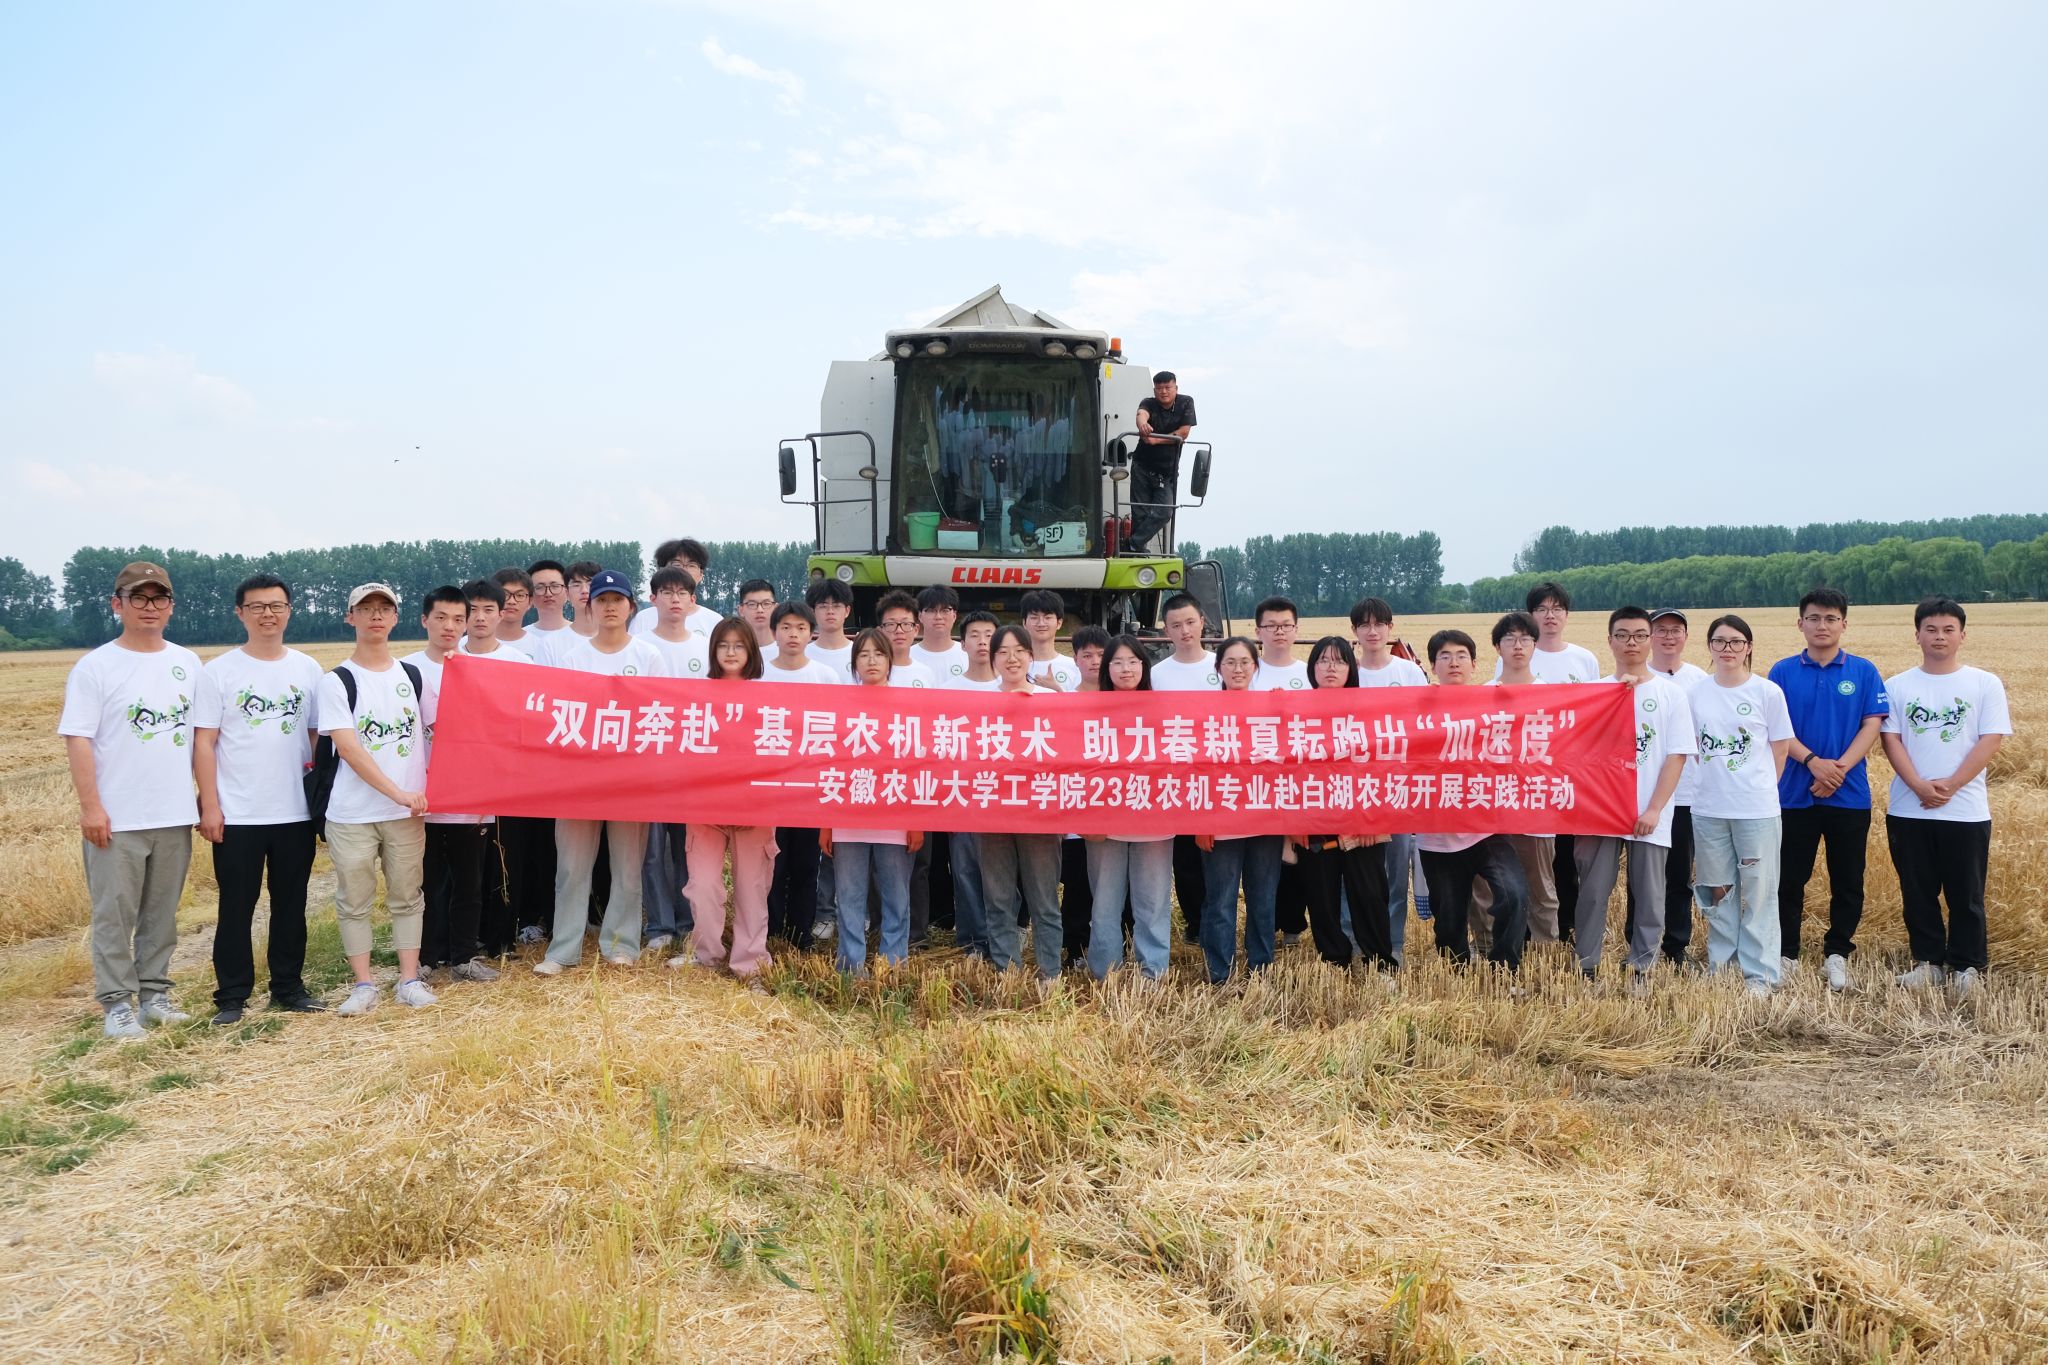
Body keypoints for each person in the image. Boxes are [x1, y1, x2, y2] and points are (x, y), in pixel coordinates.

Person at [61, 561, 201, 1039]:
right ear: (117, 604)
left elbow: (202, 739)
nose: (149, 607)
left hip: (174, 812)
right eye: (137, 598)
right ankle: (117, 1004)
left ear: (171, 606)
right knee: (114, 914)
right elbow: (78, 739)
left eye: (158, 598)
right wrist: (91, 807)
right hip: (117, 817)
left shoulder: (187, 663)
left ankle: (155, 996)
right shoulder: (96, 667)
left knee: (161, 914)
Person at [191, 574, 325, 1025]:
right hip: (239, 813)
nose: (268, 614)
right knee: (236, 906)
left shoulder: (307, 669)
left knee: (292, 903)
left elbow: (314, 738)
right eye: (257, 606)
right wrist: (210, 805)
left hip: (293, 813)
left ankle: (288, 987)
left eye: (276, 605)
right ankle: (231, 996)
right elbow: (204, 743)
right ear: (240, 613)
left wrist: (318, 803)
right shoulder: (218, 672)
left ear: (289, 610)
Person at [535, 570, 665, 976]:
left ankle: (621, 944)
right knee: (572, 867)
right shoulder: (574, 658)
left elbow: (657, 718)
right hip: (579, 780)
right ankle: (562, 950)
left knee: (627, 867)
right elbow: (560, 716)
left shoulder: (648, 657)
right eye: (602, 600)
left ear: (631, 607)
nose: (610, 607)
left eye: (618, 600)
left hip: (630, 781)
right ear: (589, 606)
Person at [317, 582, 436, 1016]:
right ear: (350, 618)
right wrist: (399, 792)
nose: (375, 616)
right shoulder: (337, 681)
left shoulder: (411, 676)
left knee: (407, 896)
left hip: (406, 812)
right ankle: (364, 984)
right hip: (353, 814)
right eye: (365, 609)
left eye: (384, 608)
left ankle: (408, 979)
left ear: (395, 616)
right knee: (355, 899)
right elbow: (349, 749)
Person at [1881, 598, 2010, 997]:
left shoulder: (1984, 683)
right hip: (1908, 807)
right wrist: (1918, 785)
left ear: (1962, 636)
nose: (1939, 636)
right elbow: (1891, 739)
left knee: (1965, 893)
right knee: (1917, 891)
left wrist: (1951, 785)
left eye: (1948, 629)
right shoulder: (1898, 685)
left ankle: (1967, 965)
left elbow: (1991, 739)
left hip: (1966, 810)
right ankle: (1928, 961)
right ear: (1917, 634)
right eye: (1931, 629)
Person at [1766, 589, 1889, 992]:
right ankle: (1786, 954)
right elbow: (1778, 730)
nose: (1822, 626)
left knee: (1848, 879)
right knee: (1789, 878)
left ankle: (1837, 954)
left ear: (1844, 624)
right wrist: (1813, 761)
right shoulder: (1781, 672)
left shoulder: (1864, 671)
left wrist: (1838, 769)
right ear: (1800, 623)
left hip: (1849, 795)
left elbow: (1872, 724)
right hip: (1793, 794)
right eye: (1814, 618)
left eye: (1831, 618)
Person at [1570, 607, 1695, 986]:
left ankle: (1641, 964)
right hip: (1601, 812)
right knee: (1592, 891)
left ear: (1650, 640)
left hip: (1649, 810)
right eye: (1622, 635)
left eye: (1640, 635)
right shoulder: (1593, 694)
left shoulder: (1670, 694)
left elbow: (1677, 754)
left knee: (1650, 893)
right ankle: (1586, 964)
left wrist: (1655, 808)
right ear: (1609, 641)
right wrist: (1610, 700)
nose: (1632, 643)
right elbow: (1574, 751)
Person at [1687, 615, 1795, 997]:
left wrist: (1757, 787)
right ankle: (1723, 965)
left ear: (1748, 646)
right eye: (1719, 642)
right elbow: (1695, 749)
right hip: (1708, 809)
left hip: (1757, 809)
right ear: (1710, 647)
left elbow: (1780, 749)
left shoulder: (1767, 693)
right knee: (1717, 890)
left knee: (1759, 892)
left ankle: (1760, 974)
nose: (1727, 649)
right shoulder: (1696, 693)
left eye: (1735, 642)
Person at [1416, 629, 1530, 976]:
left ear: (1475, 663)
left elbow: (1556, 711)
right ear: (1433, 666)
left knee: (1513, 893)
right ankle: (1458, 973)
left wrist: (1620, 689)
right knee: (1448, 921)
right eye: (1445, 656)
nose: (1454, 662)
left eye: (1461, 655)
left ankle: (1504, 966)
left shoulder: (1495, 701)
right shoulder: (1416, 708)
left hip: (1486, 828)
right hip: (1437, 835)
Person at [401, 586, 500, 987]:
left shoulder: (480, 668)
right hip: (419, 797)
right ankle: (424, 957)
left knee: (469, 882)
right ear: (425, 620)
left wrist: (485, 790)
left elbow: (492, 735)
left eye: (459, 619)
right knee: (424, 882)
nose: (451, 626)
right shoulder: (404, 670)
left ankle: (463, 956)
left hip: (469, 797)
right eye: (441, 618)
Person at [673, 619, 778, 981]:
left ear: (751, 652)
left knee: (751, 889)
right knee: (702, 886)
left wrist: (758, 800)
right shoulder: (696, 697)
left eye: (739, 645)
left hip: (754, 808)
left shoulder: (770, 700)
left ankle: (751, 962)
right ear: (713, 652)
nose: (731, 653)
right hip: (705, 808)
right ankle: (706, 955)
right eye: (723, 645)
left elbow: (777, 757)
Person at [821, 629, 924, 976]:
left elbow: (915, 766)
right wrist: (826, 821)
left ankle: (893, 965)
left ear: (890, 661)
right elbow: (829, 766)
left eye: (878, 654)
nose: (871, 661)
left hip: (895, 816)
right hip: (847, 818)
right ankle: (851, 966)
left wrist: (915, 820)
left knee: (896, 897)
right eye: (863, 655)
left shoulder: (908, 708)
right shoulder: (839, 708)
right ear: (854, 664)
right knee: (849, 898)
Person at [1292, 638, 1396, 970]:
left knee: (1369, 895)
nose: (1330, 667)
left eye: (1339, 661)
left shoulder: (1369, 710)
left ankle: (1379, 960)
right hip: (1315, 820)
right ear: (1312, 668)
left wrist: (1372, 818)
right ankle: (1334, 959)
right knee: (1320, 898)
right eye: (1322, 661)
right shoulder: (1297, 712)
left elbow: (1383, 768)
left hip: (1363, 817)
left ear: (1351, 668)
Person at [970, 625, 1066, 978]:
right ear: (992, 659)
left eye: (1019, 651)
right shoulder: (978, 704)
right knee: (997, 899)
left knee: (1043, 899)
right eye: (1003, 652)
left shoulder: (1051, 702)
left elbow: (1067, 757)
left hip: (1039, 815)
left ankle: (1050, 973)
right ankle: (1006, 971)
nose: (1012, 659)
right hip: (993, 814)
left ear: (1030, 656)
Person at [1086, 636, 1176, 981]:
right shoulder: (1089, 710)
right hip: (1103, 820)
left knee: (1152, 902)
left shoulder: (1164, 709)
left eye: (1133, 661)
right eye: (1118, 662)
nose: (1126, 669)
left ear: (1144, 666)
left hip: (1153, 818)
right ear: (1107, 669)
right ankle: (1105, 970)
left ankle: (1153, 971)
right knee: (1105, 902)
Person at [1196, 638, 1283, 983]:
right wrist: (1202, 822)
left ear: (1256, 667)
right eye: (1230, 663)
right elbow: (1197, 770)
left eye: (1245, 662)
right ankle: (1221, 972)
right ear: (1218, 669)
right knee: (1220, 901)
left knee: (1263, 900)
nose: (1238, 669)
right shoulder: (1203, 713)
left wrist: (1285, 709)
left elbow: (1287, 765)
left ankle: (1261, 967)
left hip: (1265, 819)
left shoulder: (1271, 708)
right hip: (1221, 823)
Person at [1625, 608, 1709, 964]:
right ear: (1648, 637)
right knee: (1639, 878)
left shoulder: (1699, 680)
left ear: (1686, 637)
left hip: (1686, 793)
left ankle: (1676, 945)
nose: (1668, 636)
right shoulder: (1632, 679)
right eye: (1660, 630)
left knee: (1678, 875)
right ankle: (1636, 943)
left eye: (1676, 630)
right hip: (1640, 794)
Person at [456, 578, 534, 957]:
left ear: (502, 614)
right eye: (472, 609)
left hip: (508, 779)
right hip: (460, 780)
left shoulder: (520, 663)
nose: (480, 617)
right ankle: (458, 940)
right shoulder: (449, 658)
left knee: (505, 859)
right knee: (465, 865)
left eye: (489, 609)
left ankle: (502, 938)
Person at [1352, 599, 1429, 966]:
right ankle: (1353, 939)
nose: (1372, 631)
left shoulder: (1410, 672)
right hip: (1355, 787)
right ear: (1354, 631)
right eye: (1364, 625)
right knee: (1355, 869)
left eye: (1379, 624)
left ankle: (1393, 942)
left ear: (1389, 628)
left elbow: (1425, 724)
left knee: (1396, 870)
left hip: (1398, 787)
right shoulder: (1347, 672)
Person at [760, 601, 839, 953]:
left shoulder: (825, 676)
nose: (793, 634)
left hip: (811, 786)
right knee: (772, 865)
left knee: (807, 865)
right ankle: (771, 929)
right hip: (769, 786)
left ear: (811, 633)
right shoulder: (758, 672)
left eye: (801, 628)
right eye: (786, 627)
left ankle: (801, 934)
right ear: (774, 632)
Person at [1484, 611, 1563, 948]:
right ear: (1497, 647)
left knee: (1541, 887)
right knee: (1494, 887)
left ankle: (1545, 950)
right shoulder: (1482, 694)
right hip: (1493, 807)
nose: (1517, 646)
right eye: (1509, 639)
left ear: (1535, 645)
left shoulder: (1551, 694)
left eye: (1525, 639)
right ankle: (1496, 949)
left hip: (1536, 804)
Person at [1150, 592, 1217, 942]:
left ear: (1202, 621)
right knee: (1186, 859)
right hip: (1176, 781)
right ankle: (1195, 924)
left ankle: (1217, 921)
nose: (1185, 630)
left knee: (1218, 858)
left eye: (1190, 622)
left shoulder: (1222, 666)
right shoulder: (1157, 674)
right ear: (1166, 630)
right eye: (1176, 625)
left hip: (1219, 780)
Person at [1058, 624, 1113, 966]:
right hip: (1077, 808)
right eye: (1087, 655)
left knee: (1112, 888)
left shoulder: (1126, 699)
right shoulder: (1062, 703)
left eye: (1101, 654)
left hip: (1116, 809)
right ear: (1074, 659)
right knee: (1077, 885)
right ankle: (1075, 948)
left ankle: (1113, 945)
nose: (1094, 661)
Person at [1128, 371, 1195, 550]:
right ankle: (1137, 552)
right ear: (1154, 390)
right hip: (1141, 466)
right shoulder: (1149, 403)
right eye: (1159, 388)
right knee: (1139, 514)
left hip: (1166, 472)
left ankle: (1132, 544)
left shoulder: (1186, 402)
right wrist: (1143, 424)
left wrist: (1156, 440)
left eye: (1167, 387)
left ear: (1176, 388)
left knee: (1165, 511)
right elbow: (1141, 414)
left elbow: (1184, 433)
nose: (1163, 392)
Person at [633, 538, 721, 636]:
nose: (684, 570)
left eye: (691, 565)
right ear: (661, 570)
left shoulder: (714, 621)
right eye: (677, 564)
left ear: (701, 574)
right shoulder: (643, 619)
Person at [1020, 589, 1082, 690]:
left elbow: (1079, 704)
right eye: (1034, 617)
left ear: (1059, 623)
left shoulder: (1075, 667)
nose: (1041, 623)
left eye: (1047, 618)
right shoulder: (1014, 666)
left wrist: (1056, 690)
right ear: (1024, 623)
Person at [521, 560, 576, 665]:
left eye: (555, 586)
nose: (548, 593)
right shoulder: (520, 638)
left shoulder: (583, 638)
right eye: (539, 587)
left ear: (567, 591)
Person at [909, 585, 967, 683]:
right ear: (920, 616)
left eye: (945, 610)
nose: (938, 617)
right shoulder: (907, 656)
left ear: (954, 615)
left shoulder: (968, 655)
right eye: (931, 611)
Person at [1252, 596, 1308, 691]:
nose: (1280, 632)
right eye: (1271, 626)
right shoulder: (1246, 673)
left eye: (1286, 625)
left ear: (1296, 630)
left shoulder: (1310, 673)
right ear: (1258, 632)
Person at [804, 576, 856, 677]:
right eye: (823, 606)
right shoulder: (802, 654)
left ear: (847, 611)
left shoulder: (859, 653)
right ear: (812, 612)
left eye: (836, 606)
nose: (830, 611)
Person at [492, 568, 534, 648]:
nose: (512, 601)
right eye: (505, 594)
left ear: (530, 602)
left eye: (520, 595)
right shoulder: (466, 645)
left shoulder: (541, 647)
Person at [736, 579, 778, 649]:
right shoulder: (733, 652)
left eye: (766, 604)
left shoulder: (789, 650)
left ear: (776, 608)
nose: (760, 610)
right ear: (741, 610)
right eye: (752, 604)